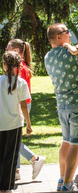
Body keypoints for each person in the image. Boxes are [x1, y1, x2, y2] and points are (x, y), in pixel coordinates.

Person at [44, 23, 78, 192]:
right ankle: (68, 184)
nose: (70, 35)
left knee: (66, 142)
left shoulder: (48, 57)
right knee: (75, 144)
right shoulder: (71, 52)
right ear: (58, 37)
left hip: (62, 105)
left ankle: (62, 180)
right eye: (66, 32)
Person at [6, 39, 46, 180]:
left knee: (13, 138)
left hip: (19, 105)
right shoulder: (21, 65)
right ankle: (16, 170)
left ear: (16, 50)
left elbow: (18, 91)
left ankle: (34, 159)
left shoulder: (20, 68)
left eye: (8, 48)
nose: (5, 51)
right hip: (20, 104)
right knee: (14, 138)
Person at [0, 51, 32, 193]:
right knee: (10, 157)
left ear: (3, 65)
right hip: (14, 124)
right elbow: (24, 106)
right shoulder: (21, 82)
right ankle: (5, 187)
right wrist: (29, 124)